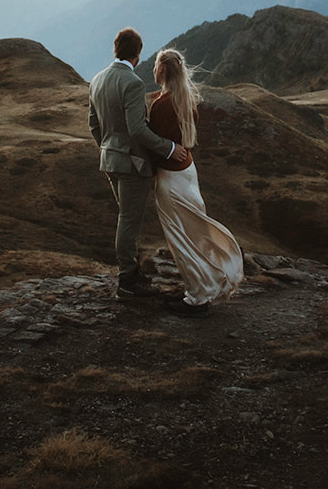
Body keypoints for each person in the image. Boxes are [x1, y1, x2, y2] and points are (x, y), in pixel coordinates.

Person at [89, 27, 186, 300]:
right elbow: (137, 130)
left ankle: (132, 274)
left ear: (115, 49)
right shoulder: (132, 83)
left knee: (126, 220)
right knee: (129, 221)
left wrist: (109, 149)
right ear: (138, 55)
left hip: (110, 160)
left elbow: (93, 125)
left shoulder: (97, 80)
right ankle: (128, 281)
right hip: (132, 165)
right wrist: (168, 148)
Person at [146, 47, 244, 317]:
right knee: (193, 233)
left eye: (155, 65)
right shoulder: (185, 98)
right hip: (188, 171)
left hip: (170, 177)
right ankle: (203, 286)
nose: (153, 69)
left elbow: (153, 144)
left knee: (180, 238)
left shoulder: (162, 105)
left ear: (163, 70)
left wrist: (148, 171)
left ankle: (197, 297)